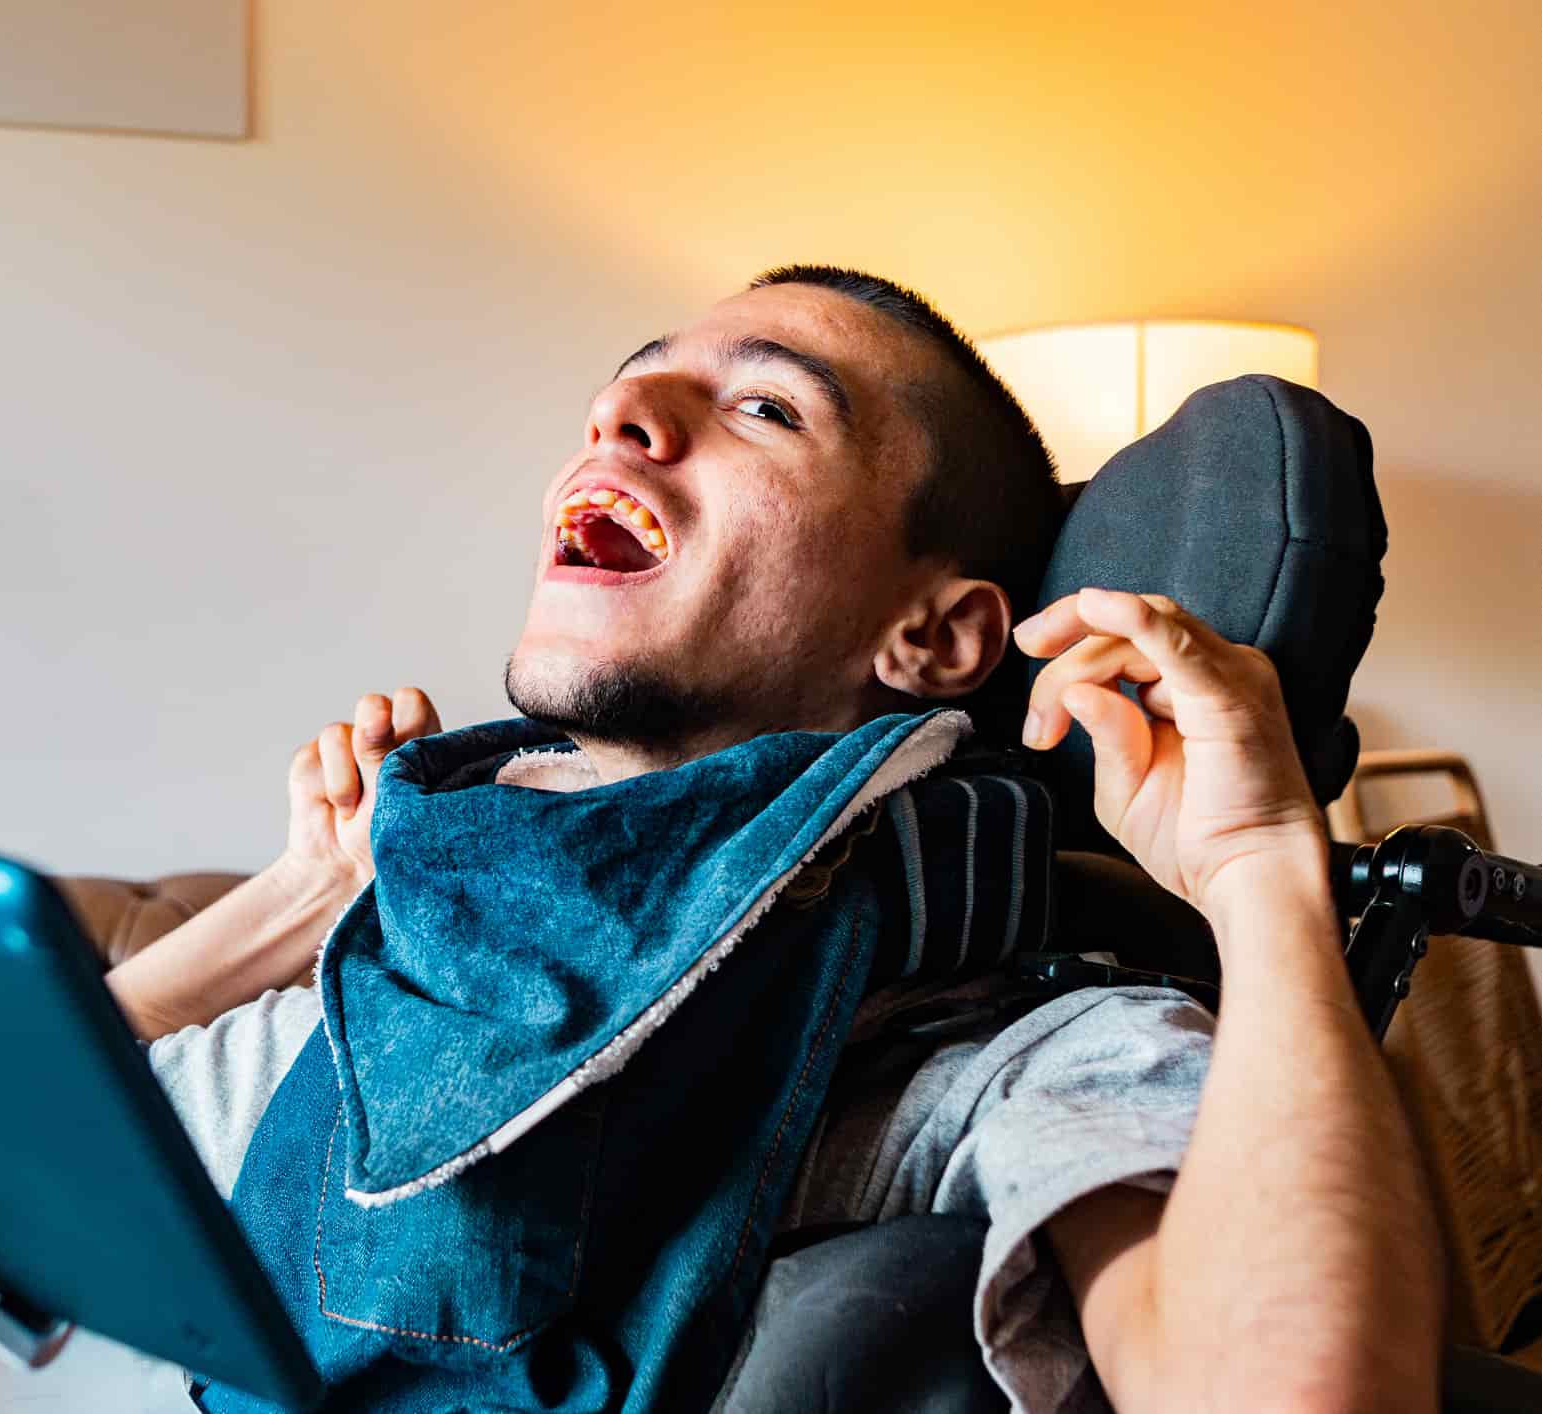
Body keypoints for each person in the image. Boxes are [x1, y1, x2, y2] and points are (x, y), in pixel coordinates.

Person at [106, 267, 1443, 1412]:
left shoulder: (986, 1058)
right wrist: (303, 893)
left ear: (933, 635)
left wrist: (1262, 871)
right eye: (627, 388)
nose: (618, 416)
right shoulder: (405, 990)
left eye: (763, 406)